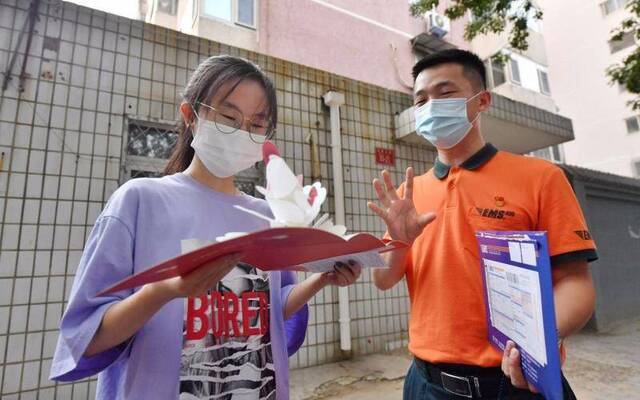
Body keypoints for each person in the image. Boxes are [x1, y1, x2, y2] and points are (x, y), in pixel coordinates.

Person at [50, 55, 361, 400]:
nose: (243, 132)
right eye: (229, 117)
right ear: (191, 117)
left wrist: (322, 277)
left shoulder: (266, 215)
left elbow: (270, 307)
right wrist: (165, 291)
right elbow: (88, 337)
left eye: (257, 125)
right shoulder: (140, 201)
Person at [368, 49, 597, 399]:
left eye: (445, 94)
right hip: (426, 383)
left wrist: (540, 343)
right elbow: (384, 279)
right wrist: (400, 241)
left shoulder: (541, 177)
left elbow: (575, 284)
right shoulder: (408, 196)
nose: (430, 106)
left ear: (482, 101)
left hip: (515, 383)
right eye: (420, 100)